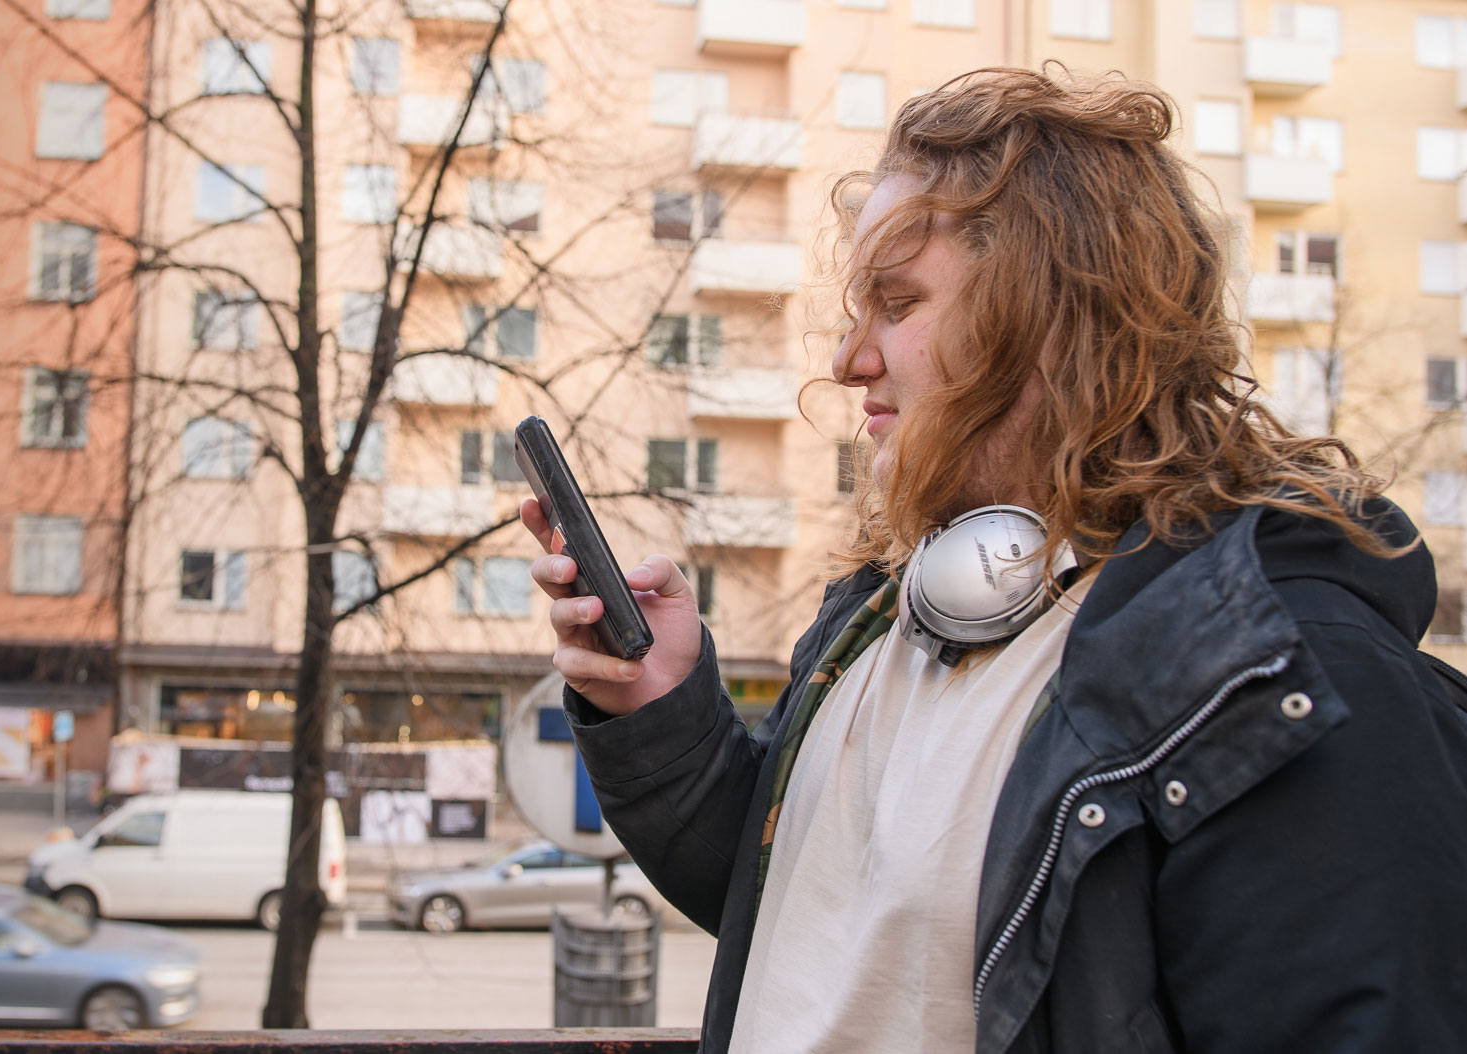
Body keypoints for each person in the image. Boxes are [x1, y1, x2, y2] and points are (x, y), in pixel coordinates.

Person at [524, 67, 1467, 1053]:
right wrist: (663, 715)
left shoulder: (1280, 676)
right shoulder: (883, 616)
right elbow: (830, 930)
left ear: (1053, 316)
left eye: (895, 302)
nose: (847, 359)